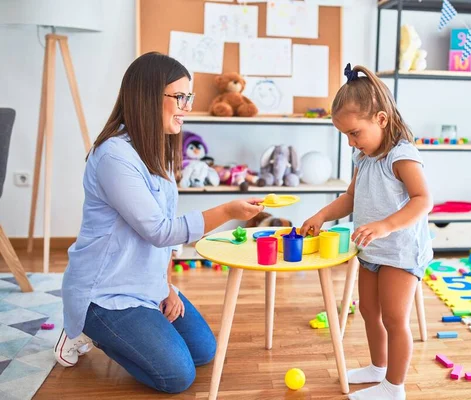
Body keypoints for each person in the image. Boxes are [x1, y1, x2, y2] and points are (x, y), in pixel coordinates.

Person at [54, 52, 265, 394]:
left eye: (188, 97)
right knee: (176, 377)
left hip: (145, 286)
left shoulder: (155, 152)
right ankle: (86, 328)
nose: (186, 106)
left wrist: (166, 287)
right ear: (148, 97)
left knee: (203, 351)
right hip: (106, 294)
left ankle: (133, 327)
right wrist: (226, 212)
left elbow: (164, 235)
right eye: (179, 97)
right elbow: (159, 230)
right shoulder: (113, 156)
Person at [300, 64, 433, 400]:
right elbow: (351, 197)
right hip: (371, 250)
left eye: (354, 133)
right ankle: (377, 368)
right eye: (345, 135)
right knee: (368, 312)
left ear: (381, 120)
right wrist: (322, 214)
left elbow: (423, 200)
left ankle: (394, 387)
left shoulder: (401, 156)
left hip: (401, 252)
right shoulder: (364, 157)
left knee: (392, 317)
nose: (350, 143)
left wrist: (385, 225)